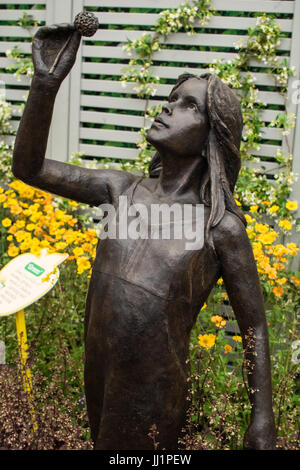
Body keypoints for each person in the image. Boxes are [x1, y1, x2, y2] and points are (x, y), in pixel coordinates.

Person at [12, 24, 276, 450]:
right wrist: (45, 85)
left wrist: (262, 417)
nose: (168, 107)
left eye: (188, 104)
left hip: (156, 389)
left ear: (214, 133)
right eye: (172, 98)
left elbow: (256, 327)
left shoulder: (220, 227)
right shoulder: (120, 190)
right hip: (100, 372)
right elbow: (30, 169)